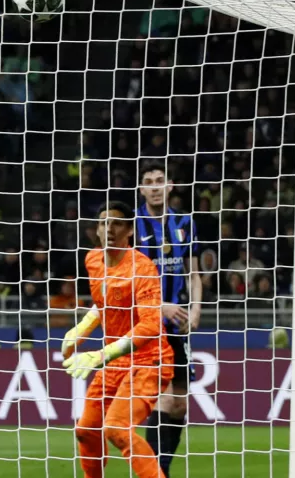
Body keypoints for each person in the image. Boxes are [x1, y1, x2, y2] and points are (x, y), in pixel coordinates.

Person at [62, 200, 174, 478]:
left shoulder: (143, 269)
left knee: (117, 427)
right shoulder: (92, 260)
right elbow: (104, 303)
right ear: (97, 229)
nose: (109, 228)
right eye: (104, 223)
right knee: (86, 429)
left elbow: (150, 324)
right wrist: (81, 330)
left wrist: (101, 355)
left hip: (150, 359)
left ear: (130, 231)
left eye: (117, 223)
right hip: (116, 360)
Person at [134, 161, 201, 477]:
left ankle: (161, 468)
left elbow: (194, 272)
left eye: (160, 180)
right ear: (142, 189)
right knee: (161, 397)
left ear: (170, 186)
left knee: (179, 404)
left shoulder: (184, 222)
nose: (155, 186)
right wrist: (161, 306)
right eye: (149, 181)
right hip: (148, 322)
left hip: (179, 324)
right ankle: (157, 472)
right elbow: (127, 278)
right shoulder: (133, 225)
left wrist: (196, 309)